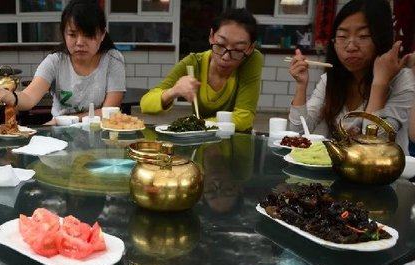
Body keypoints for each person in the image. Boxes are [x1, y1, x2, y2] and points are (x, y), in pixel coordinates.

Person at [288, 0, 415, 152]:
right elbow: (298, 132)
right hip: (337, 164)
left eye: (363, 36)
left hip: (384, 166)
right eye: (342, 36)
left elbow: (374, 146)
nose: (350, 46)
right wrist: (301, 85)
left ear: (381, 38)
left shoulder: (402, 80)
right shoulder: (331, 80)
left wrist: (380, 83)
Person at [0, 0, 125, 123]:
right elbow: (29, 98)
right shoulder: (55, 61)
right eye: (72, 35)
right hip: (62, 135)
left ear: (102, 35)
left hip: (99, 134)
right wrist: (5, 94)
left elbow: (109, 111)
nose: (79, 42)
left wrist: (61, 121)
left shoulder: (113, 60)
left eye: (88, 35)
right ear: (64, 34)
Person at [140, 8, 263, 132]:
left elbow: (244, 119)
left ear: (250, 48)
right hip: (201, 138)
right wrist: (173, 91)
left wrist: (198, 124)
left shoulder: (252, 60)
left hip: (235, 139)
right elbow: (146, 104)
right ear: (211, 36)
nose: (225, 57)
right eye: (220, 45)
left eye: (238, 50)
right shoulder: (193, 63)